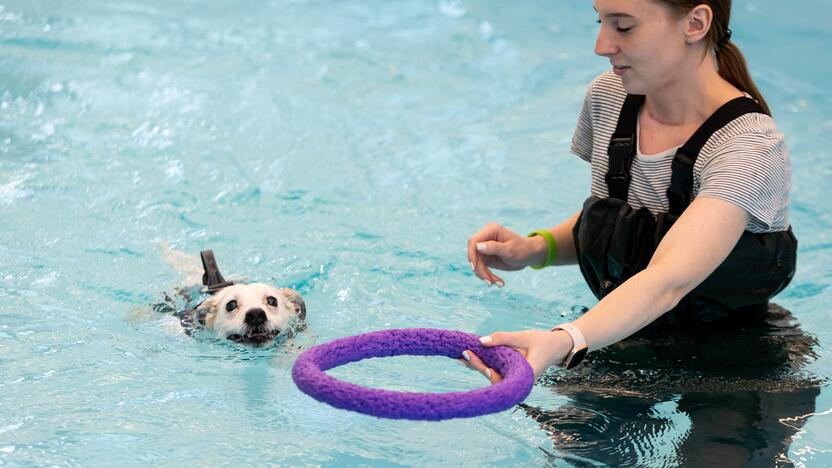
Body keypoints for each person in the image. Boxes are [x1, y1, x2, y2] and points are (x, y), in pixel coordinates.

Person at [461, 0, 798, 383]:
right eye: (600, 22)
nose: (601, 45)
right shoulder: (609, 97)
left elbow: (670, 277)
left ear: (695, 24)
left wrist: (564, 339)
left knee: (718, 445)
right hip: (615, 335)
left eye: (623, 27)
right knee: (574, 442)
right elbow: (622, 221)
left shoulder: (748, 147)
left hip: (736, 362)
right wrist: (536, 249)